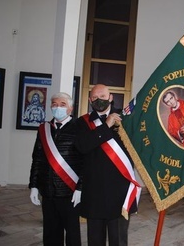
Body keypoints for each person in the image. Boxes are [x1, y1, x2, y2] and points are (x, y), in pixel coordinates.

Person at [75, 84, 140, 246]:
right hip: (94, 191)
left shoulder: (126, 120)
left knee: (118, 239)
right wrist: (106, 126)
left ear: (111, 98)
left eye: (103, 97)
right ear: (90, 100)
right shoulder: (82, 123)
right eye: (95, 98)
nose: (99, 100)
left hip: (119, 191)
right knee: (95, 240)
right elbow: (82, 146)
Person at [29, 92, 83, 246]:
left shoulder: (80, 128)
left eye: (62, 104)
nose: (57, 107)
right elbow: (37, 158)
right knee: (51, 234)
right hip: (48, 191)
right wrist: (33, 186)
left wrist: (80, 187)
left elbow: (85, 162)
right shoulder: (44, 129)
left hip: (70, 192)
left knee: (72, 235)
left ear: (71, 108)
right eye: (54, 104)